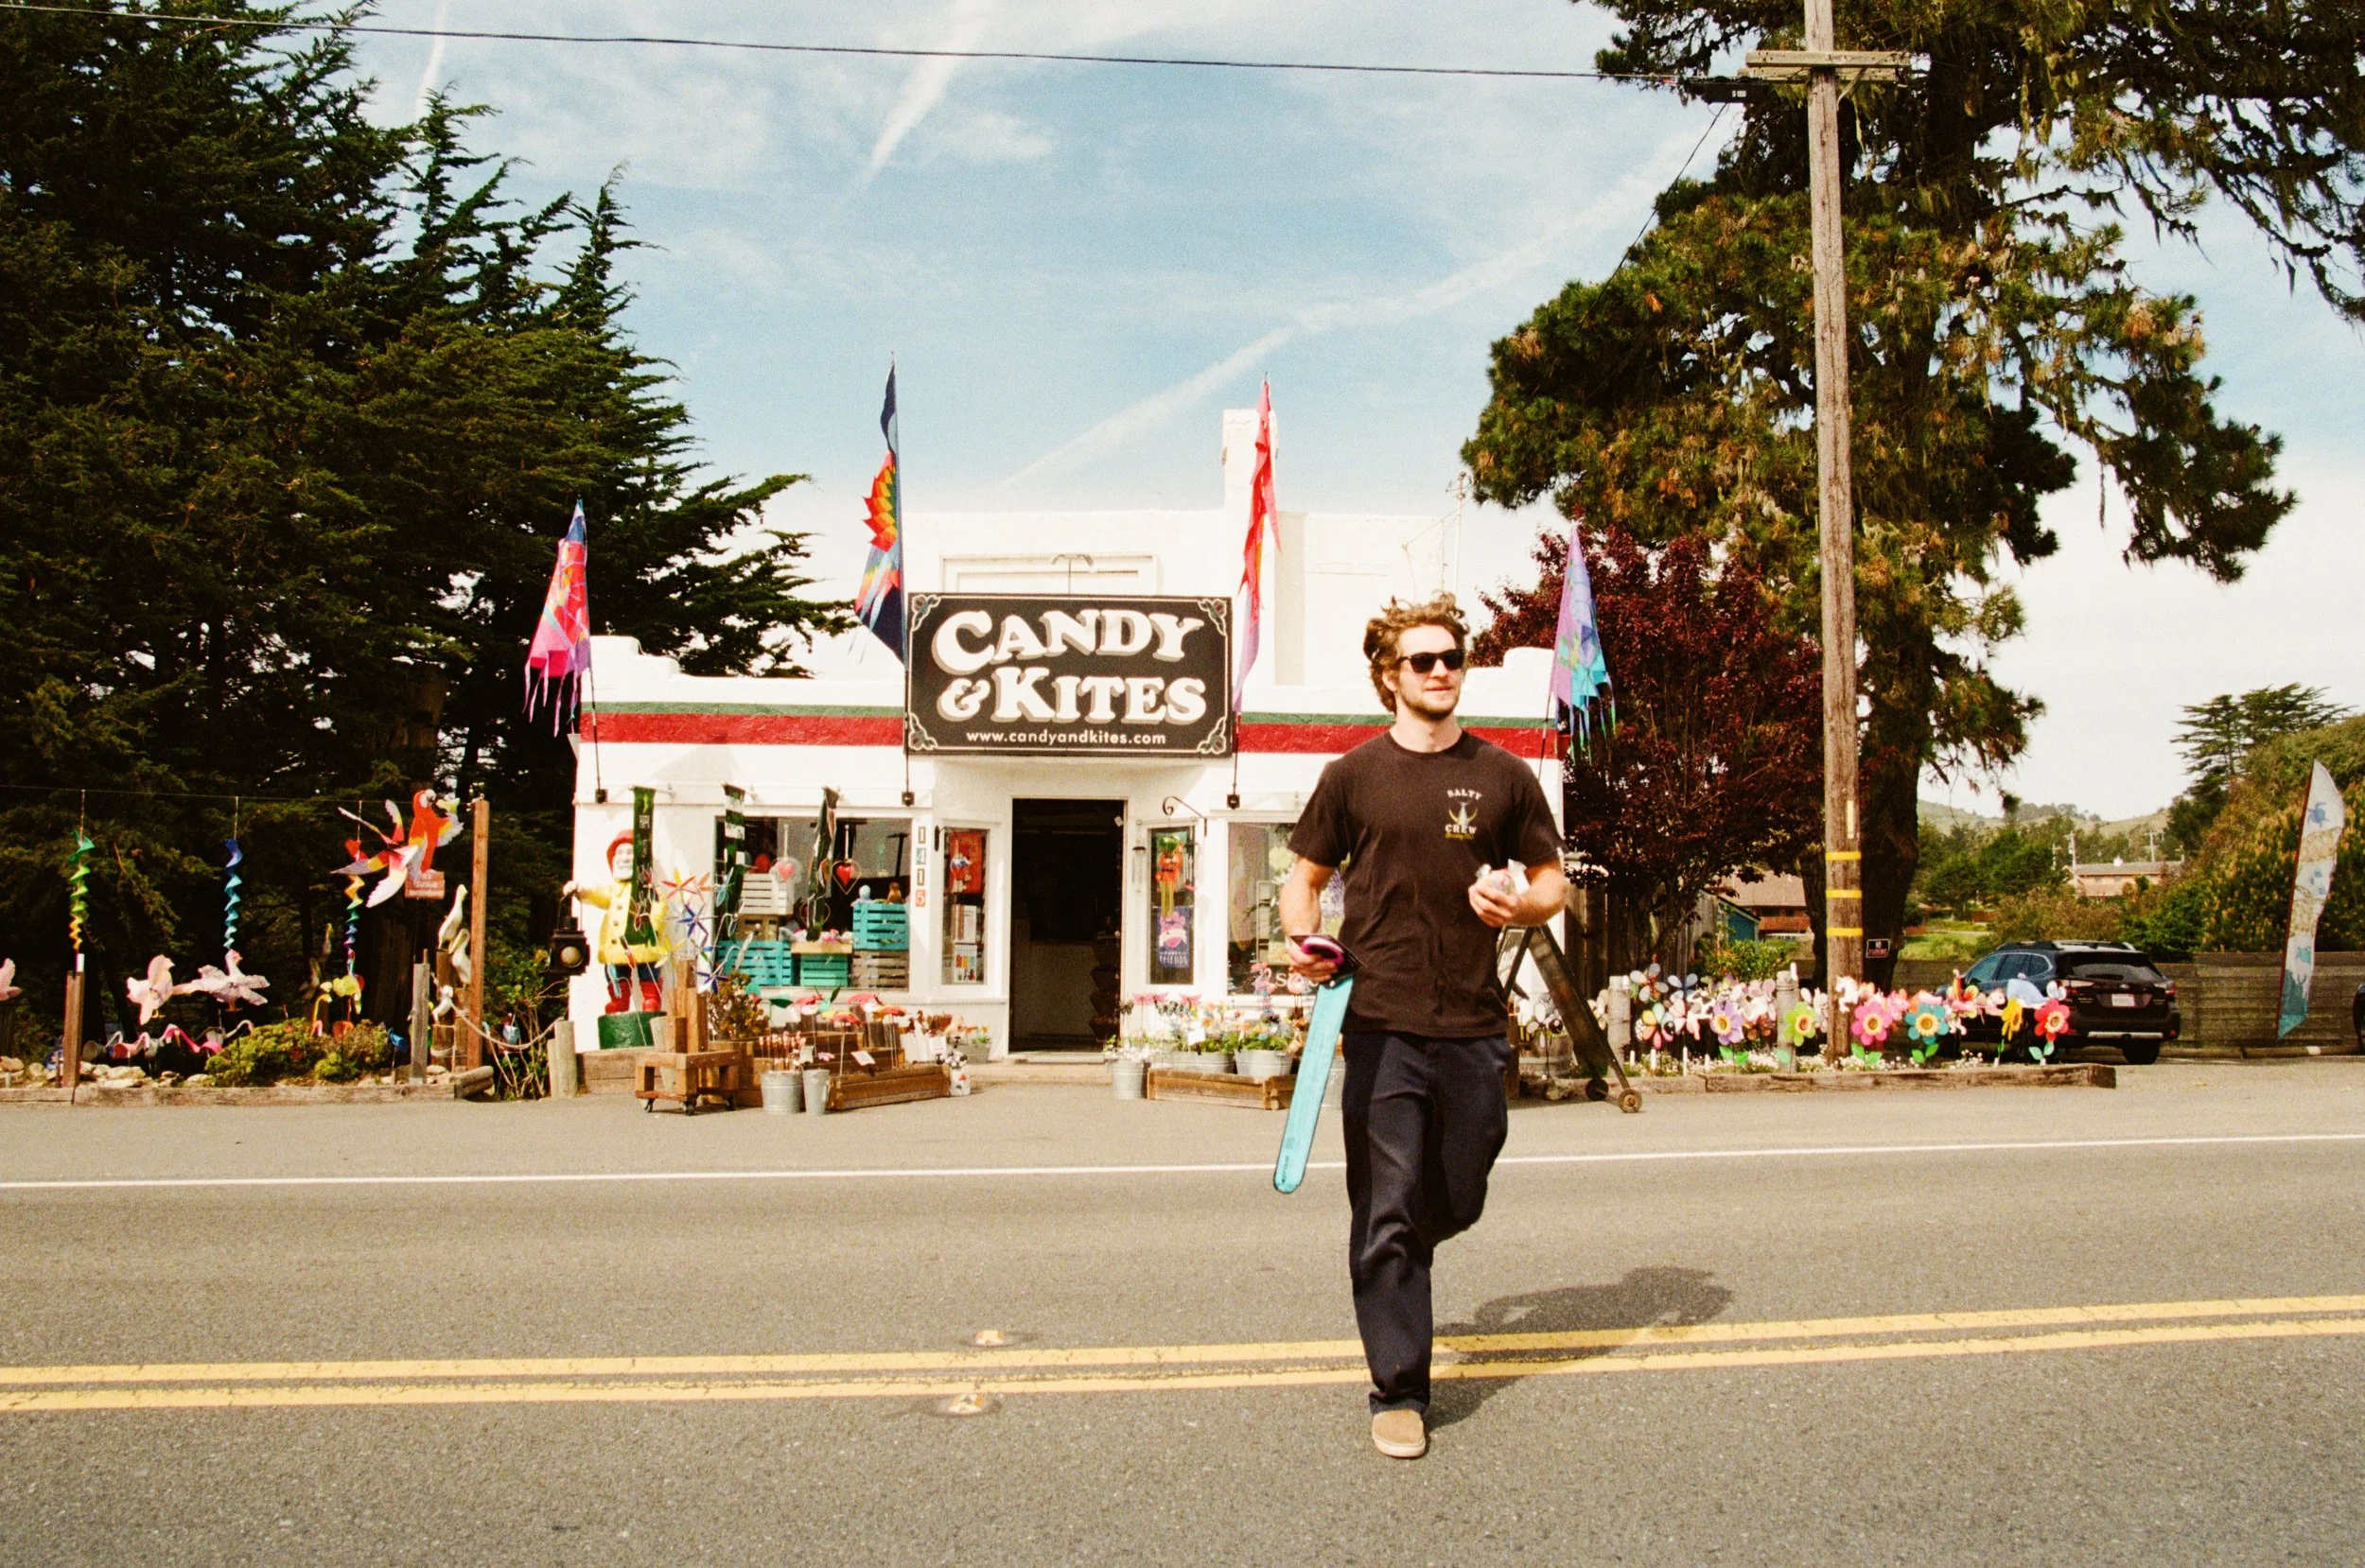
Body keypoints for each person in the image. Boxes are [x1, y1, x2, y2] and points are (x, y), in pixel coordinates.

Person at [1280, 593, 1567, 1460]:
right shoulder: (1352, 776)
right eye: (1423, 660)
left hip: (1472, 1020)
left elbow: (1552, 881)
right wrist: (1303, 942)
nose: (1441, 671)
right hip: (1378, 1019)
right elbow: (1304, 879)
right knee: (1389, 1204)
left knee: (1461, 1186)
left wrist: (1521, 904)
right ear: (1389, 674)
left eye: (1452, 658)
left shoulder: (1503, 775)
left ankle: (1399, 1246)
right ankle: (1399, 1388)